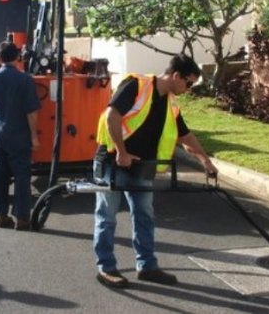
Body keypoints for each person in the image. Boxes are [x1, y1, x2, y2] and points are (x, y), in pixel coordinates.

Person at [93, 54, 219, 288]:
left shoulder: (171, 102)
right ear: (175, 76)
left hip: (142, 166)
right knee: (107, 216)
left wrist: (206, 162)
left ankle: (147, 266)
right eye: (188, 83)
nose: (189, 89)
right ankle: (106, 268)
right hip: (113, 161)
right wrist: (121, 152)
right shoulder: (136, 85)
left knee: (144, 215)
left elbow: (186, 136)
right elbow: (112, 115)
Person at [0, 41, 41, 230]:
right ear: (17, 57)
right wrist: (34, 136)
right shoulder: (25, 80)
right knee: (22, 176)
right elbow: (31, 112)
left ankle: (2, 215)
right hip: (19, 135)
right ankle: (22, 218)